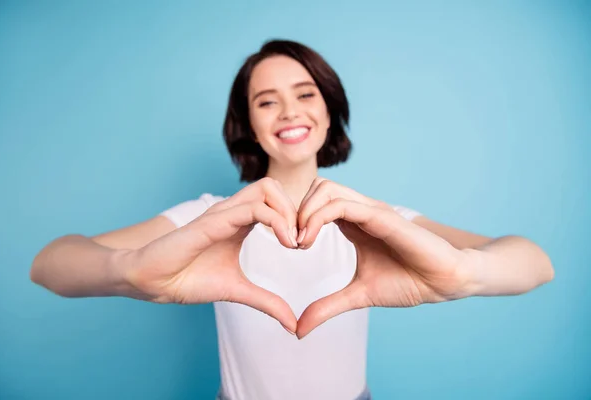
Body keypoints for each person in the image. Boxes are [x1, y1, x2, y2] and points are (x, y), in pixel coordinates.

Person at [30, 39, 555, 400]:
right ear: (249, 126)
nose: (289, 111)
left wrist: (465, 274)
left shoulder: (381, 222)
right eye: (266, 101)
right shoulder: (208, 218)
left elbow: (534, 263)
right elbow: (50, 263)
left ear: (329, 108)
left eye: (305, 94)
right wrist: (129, 269)